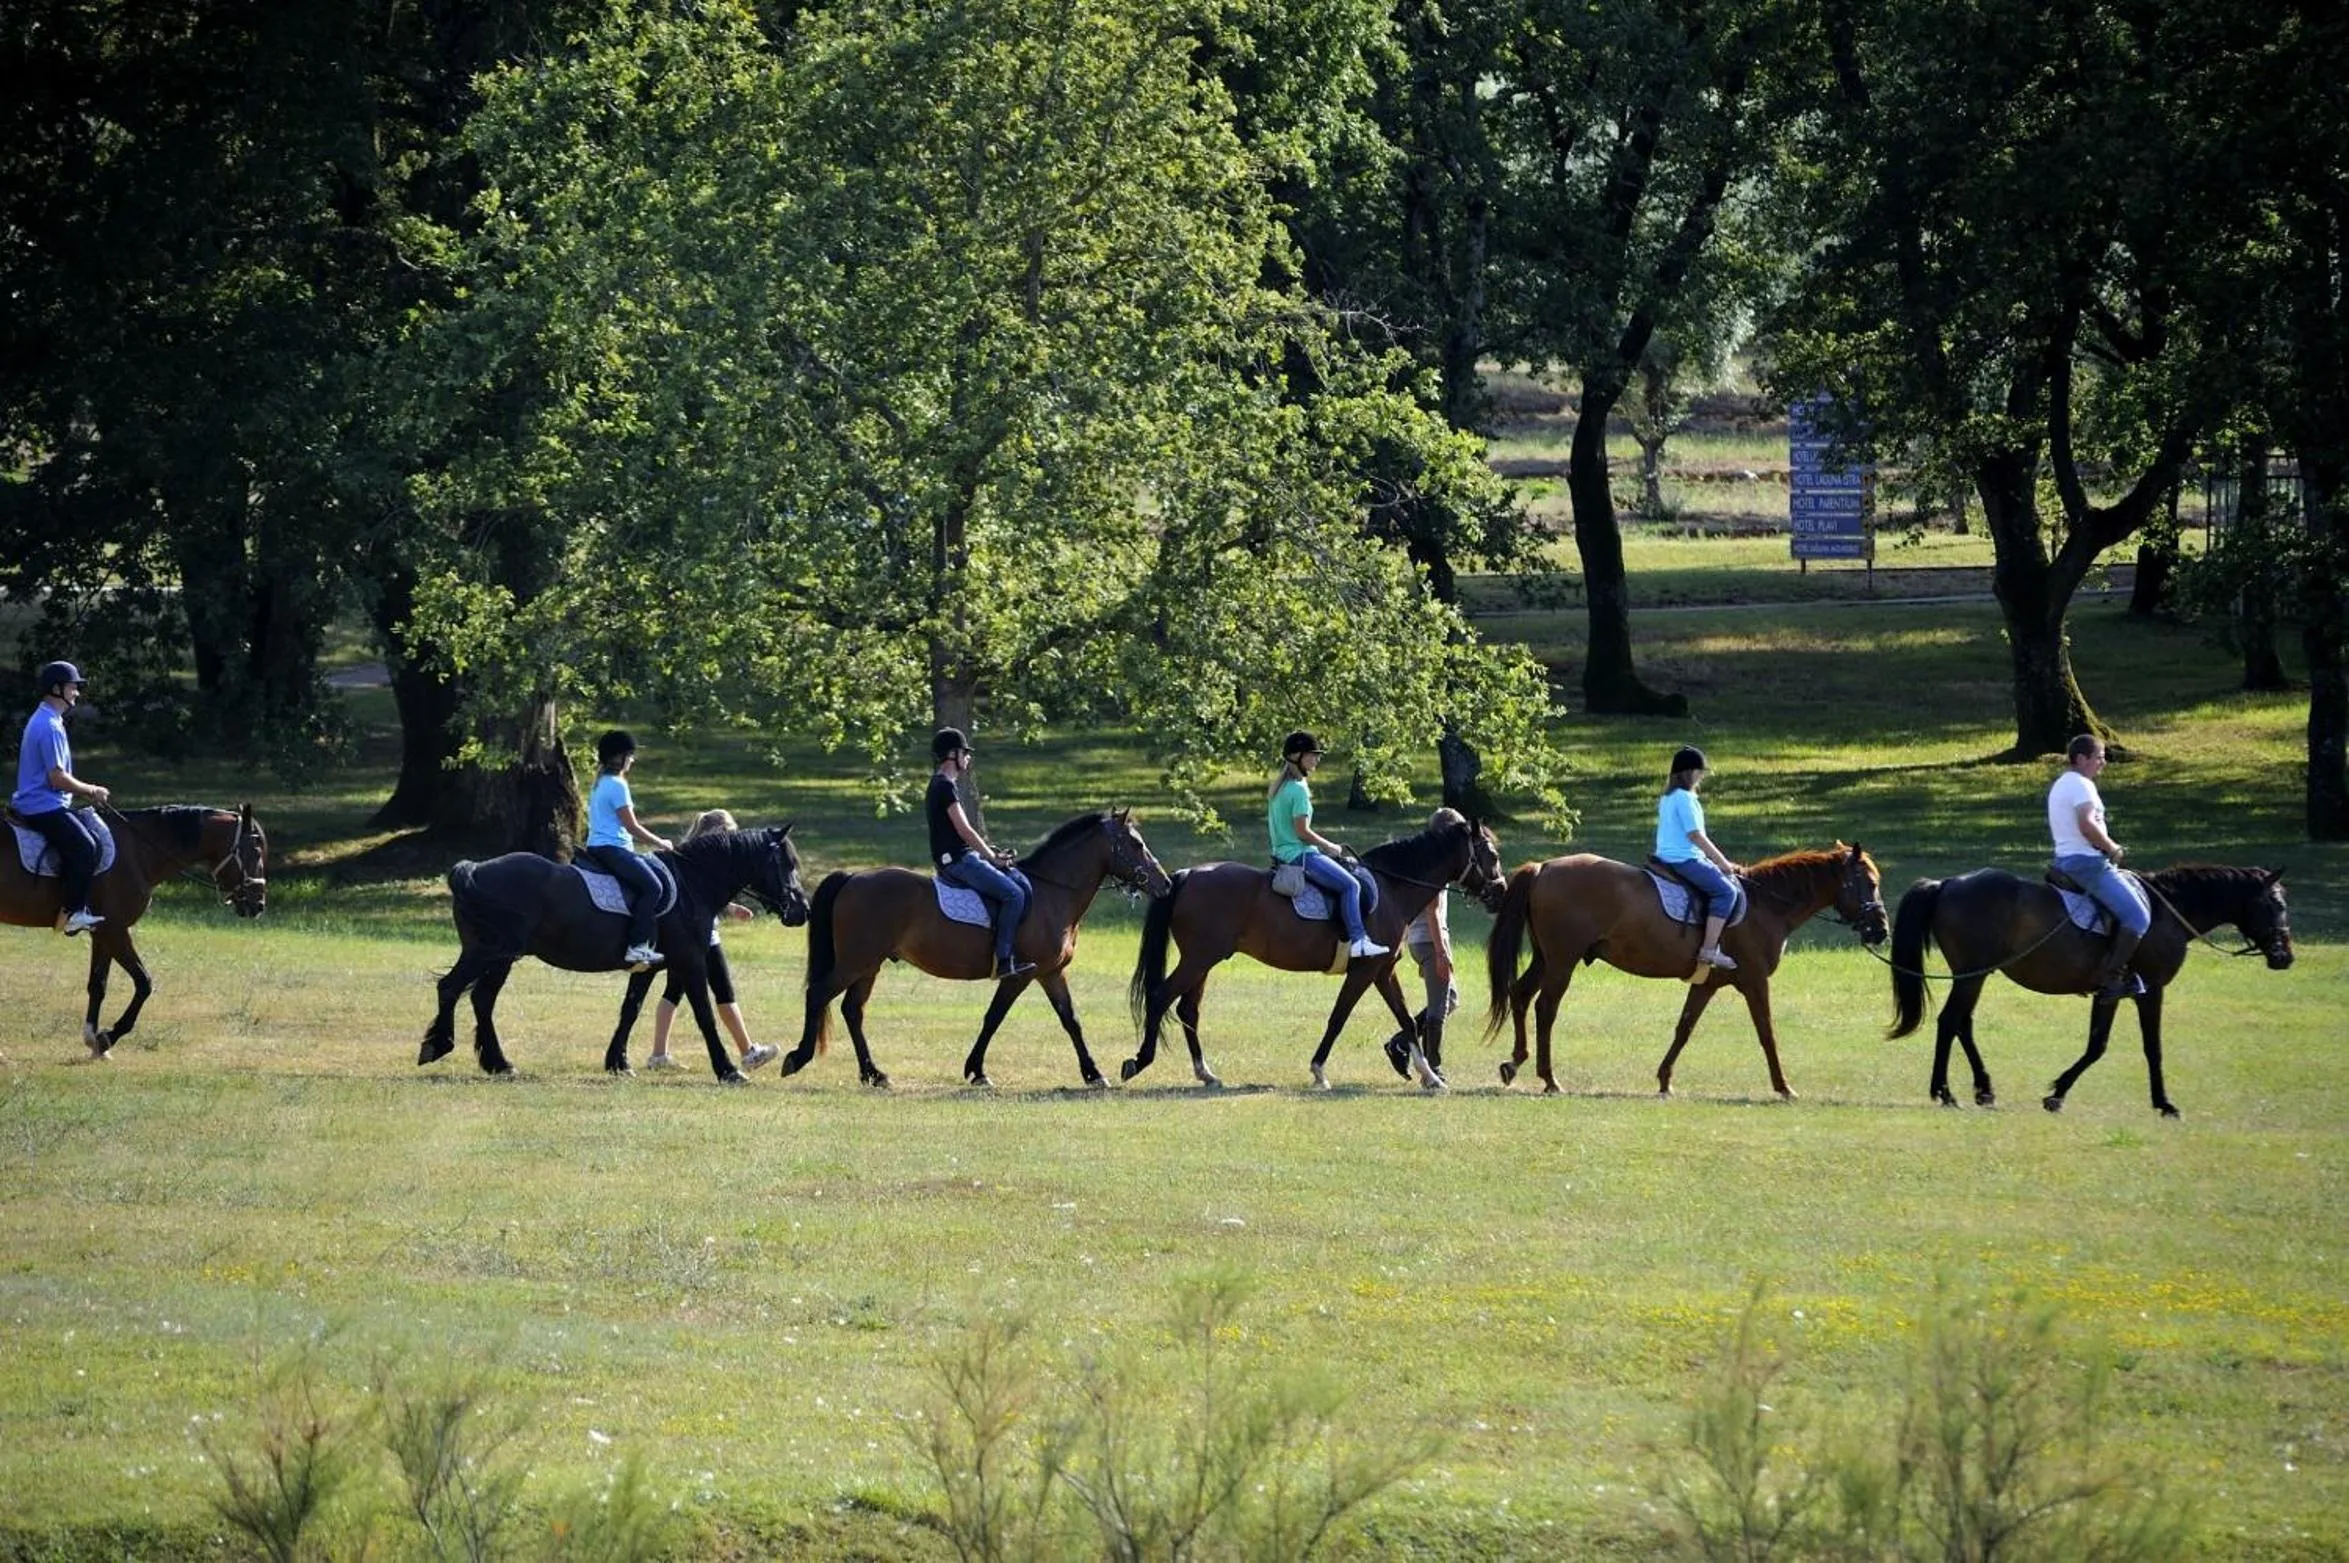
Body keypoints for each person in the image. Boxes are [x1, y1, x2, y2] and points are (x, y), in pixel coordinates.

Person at [643, 809, 778, 1073]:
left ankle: (659, 1054)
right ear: (719, 832)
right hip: (703, 938)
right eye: (729, 833)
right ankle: (749, 1052)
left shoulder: (692, 858)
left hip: (684, 936)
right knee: (724, 992)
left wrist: (730, 907)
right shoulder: (708, 860)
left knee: (673, 992)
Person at [1267, 731, 1389, 961]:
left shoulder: (1279, 789)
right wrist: (1329, 846)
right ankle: (1359, 940)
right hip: (1300, 856)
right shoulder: (1298, 789)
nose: (1317, 759)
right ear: (1296, 756)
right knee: (1351, 885)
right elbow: (1302, 831)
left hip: (1282, 855)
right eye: (1312, 755)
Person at [2047, 733, 2151, 998]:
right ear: (2081, 759)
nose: (2103, 764)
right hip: (2087, 863)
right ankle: (2112, 978)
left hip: (2065, 860)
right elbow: (2087, 824)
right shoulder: (2082, 785)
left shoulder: (2062, 783)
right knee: (2138, 917)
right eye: (2099, 758)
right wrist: (2112, 847)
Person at [927, 728, 1034, 980]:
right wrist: (990, 856)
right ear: (953, 755)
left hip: (955, 859)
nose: (968, 758)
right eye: (965, 753)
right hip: (959, 861)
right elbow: (964, 830)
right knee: (1013, 894)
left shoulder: (938, 784)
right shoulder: (945, 787)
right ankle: (1004, 961)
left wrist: (989, 853)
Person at [13, 661, 109, 936]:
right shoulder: (49, 726)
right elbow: (57, 778)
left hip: (42, 802)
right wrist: (92, 790)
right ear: (57, 689)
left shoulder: (46, 719)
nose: (76, 692)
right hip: (42, 806)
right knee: (85, 847)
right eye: (72, 687)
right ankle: (72, 912)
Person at [579, 729, 670, 971]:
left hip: (596, 847)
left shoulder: (600, 783)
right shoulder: (618, 785)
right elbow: (631, 826)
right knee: (653, 887)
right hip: (613, 848)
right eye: (630, 755)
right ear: (619, 757)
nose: (632, 760)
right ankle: (637, 946)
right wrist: (661, 843)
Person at [1656, 744, 1740, 972]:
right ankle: (1709, 949)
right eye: (1699, 772)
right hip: (1684, 859)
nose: (1701, 776)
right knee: (1726, 892)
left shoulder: (1668, 797)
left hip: (1666, 857)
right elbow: (1695, 835)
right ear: (1689, 772)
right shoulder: (1685, 798)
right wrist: (1722, 863)